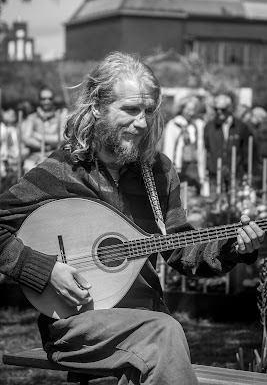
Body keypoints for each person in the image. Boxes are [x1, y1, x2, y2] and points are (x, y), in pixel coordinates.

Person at [0, 52, 264, 385]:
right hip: (79, 325)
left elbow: (180, 249)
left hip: (147, 319)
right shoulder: (61, 172)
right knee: (163, 333)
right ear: (97, 107)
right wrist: (45, 269)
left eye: (149, 111)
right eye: (130, 110)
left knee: (159, 334)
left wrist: (234, 248)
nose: (141, 123)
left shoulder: (159, 173)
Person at [204, 91, 253, 195]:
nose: (219, 112)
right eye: (216, 109)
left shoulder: (241, 127)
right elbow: (206, 149)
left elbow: (246, 150)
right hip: (215, 173)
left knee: (235, 206)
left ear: (230, 108)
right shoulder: (209, 127)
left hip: (235, 173)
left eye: (223, 109)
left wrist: (245, 171)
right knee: (215, 206)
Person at [163, 95, 206, 194]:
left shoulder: (197, 125)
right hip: (178, 169)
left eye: (194, 109)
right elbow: (168, 149)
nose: (191, 112)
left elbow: (200, 150)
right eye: (189, 109)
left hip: (193, 169)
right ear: (182, 109)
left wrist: (202, 174)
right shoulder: (173, 125)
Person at [22, 86, 68, 172]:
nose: (46, 101)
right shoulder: (32, 118)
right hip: (35, 158)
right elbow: (26, 139)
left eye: (49, 99)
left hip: (56, 159)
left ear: (53, 100)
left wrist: (38, 136)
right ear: (39, 100)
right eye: (43, 99)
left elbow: (63, 138)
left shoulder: (61, 117)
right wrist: (44, 146)